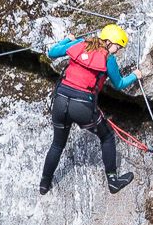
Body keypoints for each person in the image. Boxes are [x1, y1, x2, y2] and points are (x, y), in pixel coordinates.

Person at [40, 21, 138, 196]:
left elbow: (52, 52)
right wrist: (135, 76)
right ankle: (113, 181)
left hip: (60, 101)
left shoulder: (79, 44)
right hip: (82, 105)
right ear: (110, 42)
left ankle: (44, 184)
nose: (117, 50)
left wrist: (66, 40)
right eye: (118, 46)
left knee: (57, 144)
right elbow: (119, 84)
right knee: (107, 137)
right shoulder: (108, 59)